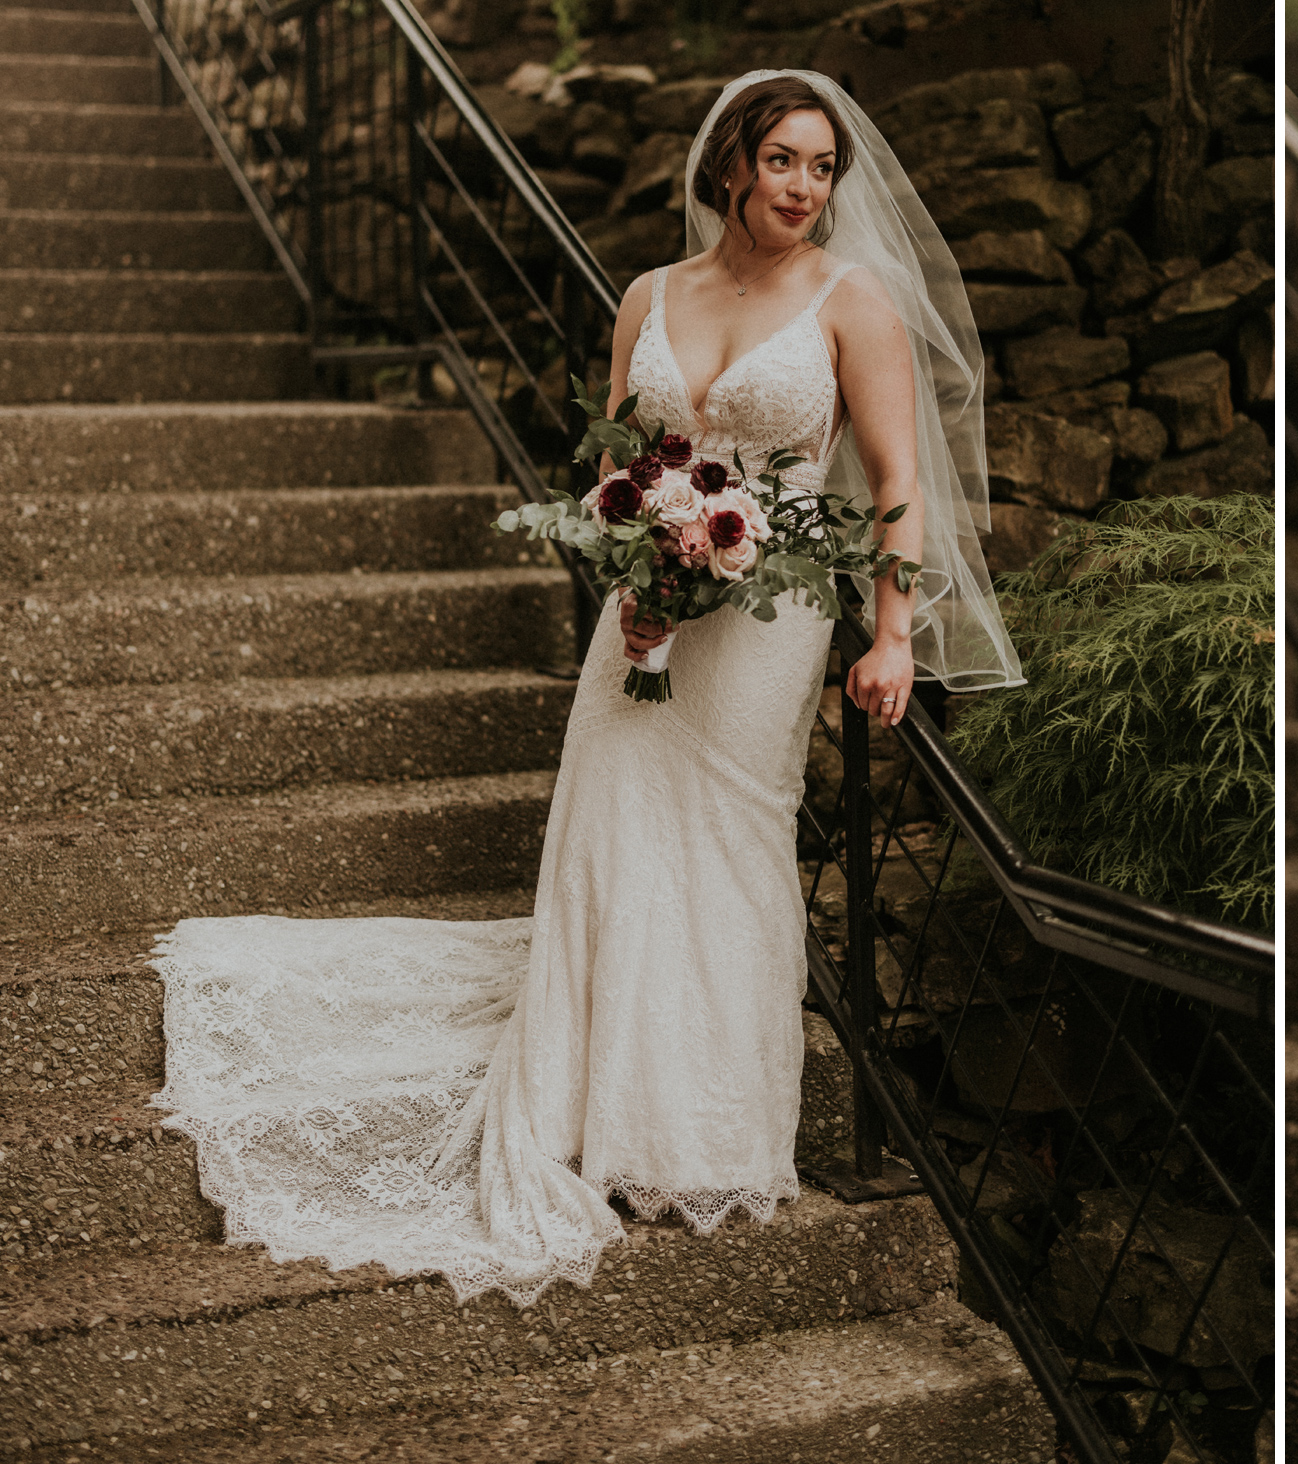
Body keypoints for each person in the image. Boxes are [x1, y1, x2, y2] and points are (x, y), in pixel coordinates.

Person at [149, 69, 1020, 1308]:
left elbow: (894, 480)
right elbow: (620, 459)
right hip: (643, 612)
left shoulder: (851, 299)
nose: (803, 187)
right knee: (611, 831)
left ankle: (699, 1130)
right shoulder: (649, 295)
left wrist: (889, 634)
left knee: (723, 839)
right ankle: (582, 1090)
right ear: (730, 164)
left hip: (769, 621)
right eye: (782, 160)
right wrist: (641, 557)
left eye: (823, 168)